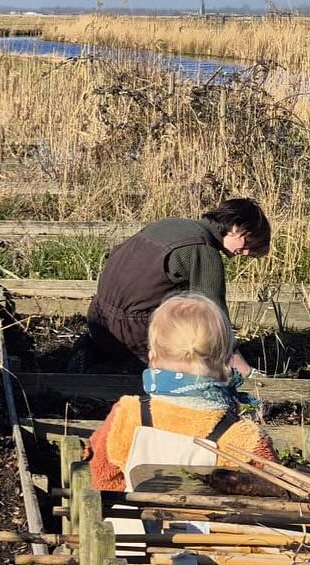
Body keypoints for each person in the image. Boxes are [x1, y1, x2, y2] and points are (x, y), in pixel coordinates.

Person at [84, 294, 276, 491]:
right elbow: (272, 490)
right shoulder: (241, 436)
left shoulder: (128, 414)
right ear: (227, 362)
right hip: (210, 512)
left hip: (136, 510)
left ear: (152, 356)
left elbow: (100, 477)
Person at [69, 198, 271, 375]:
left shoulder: (169, 225)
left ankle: (94, 351)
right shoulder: (203, 250)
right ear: (235, 227)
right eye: (248, 243)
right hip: (132, 333)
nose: (246, 253)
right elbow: (214, 319)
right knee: (197, 347)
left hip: (99, 320)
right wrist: (243, 369)